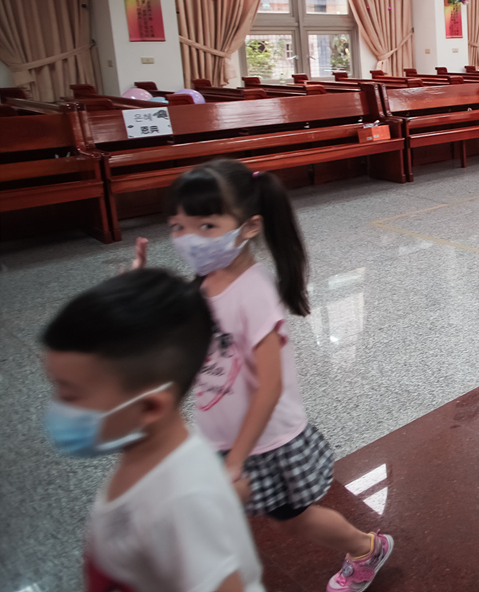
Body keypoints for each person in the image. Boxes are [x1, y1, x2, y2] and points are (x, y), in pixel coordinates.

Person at [164, 160, 392, 591]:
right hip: (222, 437)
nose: (189, 239)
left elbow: (269, 387)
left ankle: (367, 547)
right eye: (178, 227)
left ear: (249, 226)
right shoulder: (205, 281)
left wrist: (236, 459)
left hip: (264, 441)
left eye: (206, 226)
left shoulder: (253, 293)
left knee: (291, 520)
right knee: (232, 518)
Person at [42, 269, 266, 592]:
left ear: (149, 407)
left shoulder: (182, 503)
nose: (57, 408)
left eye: (70, 394)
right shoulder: (144, 452)